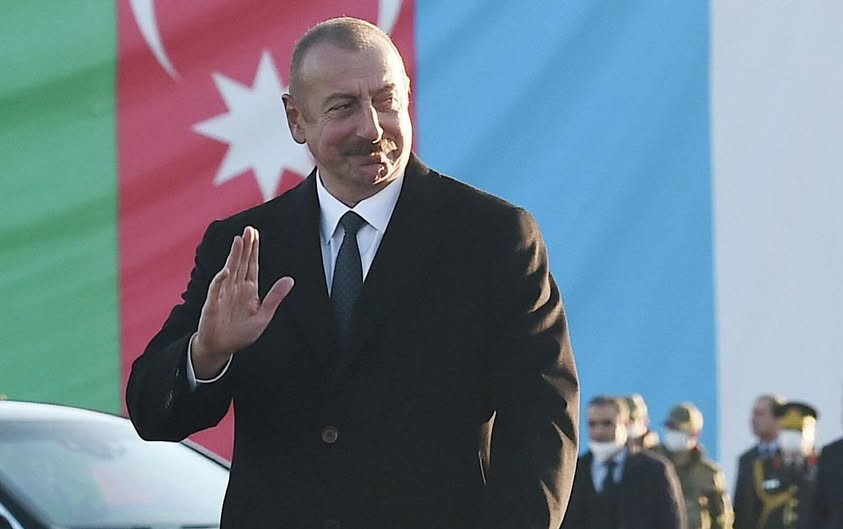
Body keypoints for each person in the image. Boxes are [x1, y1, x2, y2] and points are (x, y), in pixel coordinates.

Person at [125, 16, 579, 529]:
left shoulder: (492, 237)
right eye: (343, 107)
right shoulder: (245, 247)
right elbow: (152, 414)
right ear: (296, 119)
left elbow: (543, 419)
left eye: (386, 100)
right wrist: (206, 354)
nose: (372, 128)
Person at [561, 396, 686, 529]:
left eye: (607, 423)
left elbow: (671, 522)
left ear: (626, 424)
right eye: (593, 424)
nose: (599, 431)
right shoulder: (574, 471)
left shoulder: (654, 470)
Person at [736, 401, 819, 529]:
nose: (792, 437)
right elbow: (746, 513)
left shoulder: (822, 467)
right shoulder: (761, 468)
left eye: (798, 431)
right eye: (787, 430)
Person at [657, 402, 734, 529]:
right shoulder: (654, 467)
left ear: (694, 433)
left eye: (678, 429)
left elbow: (723, 517)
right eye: (670, 428)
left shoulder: (709, 473)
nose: (672, 433)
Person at [734, 394, 785, 529]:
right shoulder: (746, 460)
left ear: (777, 418)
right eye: (753, 414)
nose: (753, 419)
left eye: (760, 414)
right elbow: (740, 508)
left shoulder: (790, 458)